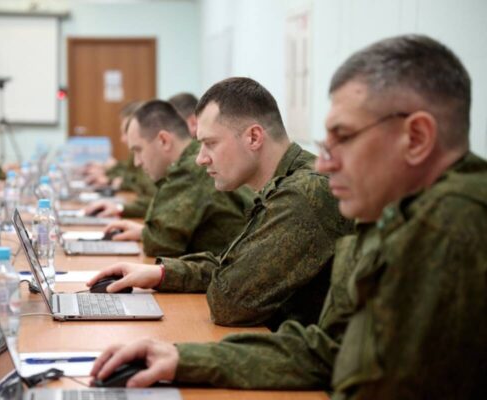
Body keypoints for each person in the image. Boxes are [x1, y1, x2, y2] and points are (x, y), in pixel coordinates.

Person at [90, 35, 487, 399]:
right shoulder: (392, 214)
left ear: (416, 138)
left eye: (344, 138)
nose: (326, 165)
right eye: (326, 144)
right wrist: (182, 358)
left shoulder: (448, 225)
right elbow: (328, 352)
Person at [88, 78, 353, 329]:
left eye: (210, 144)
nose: (200, 158)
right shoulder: (284, 183)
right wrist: (161, 274)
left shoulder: (302, 194)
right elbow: (234, 264)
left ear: (253, 137)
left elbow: (229, 301)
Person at [97, 99, 253, 257]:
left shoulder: (191, 170)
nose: (137, 162)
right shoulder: (193, 159)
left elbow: (159, 243)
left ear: (163, 140)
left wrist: (147, 235)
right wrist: (143, 232)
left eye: (139, 150)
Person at [85, 101, 157, 218]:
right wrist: (111, 177)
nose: (123, 139)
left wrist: (114, 181)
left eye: (126, 132)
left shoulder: (153, 159)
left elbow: (154, 200)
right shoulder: (140, 155)